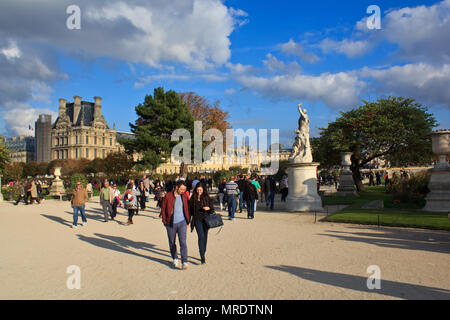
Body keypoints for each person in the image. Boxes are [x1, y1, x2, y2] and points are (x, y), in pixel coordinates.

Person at [161, 180, 191, 270]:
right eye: (182, 189)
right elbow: (163, 209)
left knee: (183, 242)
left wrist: (188, 221)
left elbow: (187, 208)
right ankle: (175, 258)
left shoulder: (184, 196)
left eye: (184, 189)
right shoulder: (168, 196)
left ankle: (184, 261)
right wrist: (164, 221)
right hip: (170, 223)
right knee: (172, 242)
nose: (183, 191)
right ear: (177, 187)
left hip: (182, 222)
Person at [189, 183, 214, 265]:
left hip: (206, 219)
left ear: (203, 190)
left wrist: (208, 208)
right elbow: (190, 211)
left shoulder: (207, 198)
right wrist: (188, 221)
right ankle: (202, 255)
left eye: (200, 190)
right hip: (197, 219)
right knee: (201, 236)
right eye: (197, 190)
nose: (199, 191)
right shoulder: (193, 198)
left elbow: (212, 210)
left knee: (205, 237)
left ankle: (203, 251)